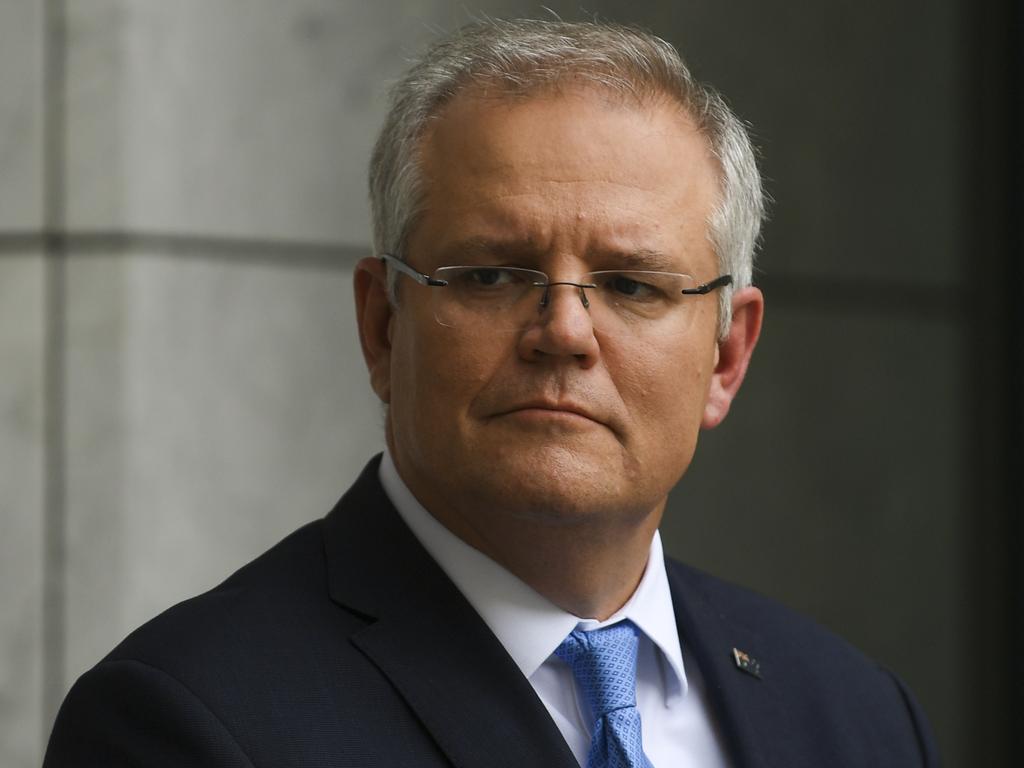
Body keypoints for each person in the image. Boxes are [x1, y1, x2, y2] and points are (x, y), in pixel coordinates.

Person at [44, 18, 938, 768]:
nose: (565, 330)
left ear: (726, 356)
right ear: (384, 326)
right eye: (491, 275)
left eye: (631, 285)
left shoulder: (858, 720)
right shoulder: (188, 722)